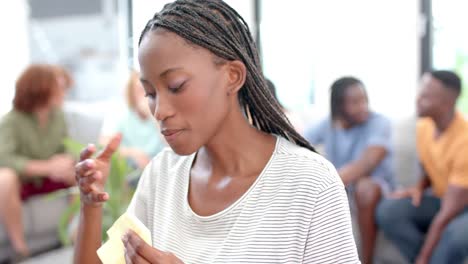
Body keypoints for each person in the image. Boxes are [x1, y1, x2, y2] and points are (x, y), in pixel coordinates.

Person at [73, 1, 360, 263]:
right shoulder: (162, 174)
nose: (159, 111)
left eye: (175, 86)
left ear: (232, 76)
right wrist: (90, 207)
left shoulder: (310, 183)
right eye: (150, 93)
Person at [376, 70, 468, 264]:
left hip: (462, 205)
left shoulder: (464, 140)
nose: (418, 99)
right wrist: (417, 188)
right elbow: (431, 166)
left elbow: (447, 215)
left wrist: (424, 257)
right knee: (388, 210)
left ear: (447, 102)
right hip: (443, 198)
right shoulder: (424, 126)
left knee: (454, 235)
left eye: (426, 96)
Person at [304, 77, 394, 264]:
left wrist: (326, 184)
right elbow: (297, 143)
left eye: (364, 100)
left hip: (377, 191)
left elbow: (368, 162)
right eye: (355, 102)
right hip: (342, 189)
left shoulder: (379, 122)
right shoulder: (328, 124)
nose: (363, 107)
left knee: (365, 188)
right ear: (339, 106)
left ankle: (366, 261)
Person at [0, 64, 75, 258]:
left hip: (52, 178)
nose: (62, 91)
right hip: (24, 182)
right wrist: (47, 167)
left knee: (80, 171)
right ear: (41, 89)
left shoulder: (58, 117)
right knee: (5, 177)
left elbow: (65, 147)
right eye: (57, 86)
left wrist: (65, 160)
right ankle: (20, 249)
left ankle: (74, 235)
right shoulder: (11, 121)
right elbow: (6, 158)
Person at [100, 70, 165, 169]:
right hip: (129, 172)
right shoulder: (118, 113)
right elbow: (103, 144)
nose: (145, 95)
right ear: (131, 93)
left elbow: (171, 146)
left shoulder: (163, 113)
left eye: (149, 89)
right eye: (140, 90)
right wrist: (133, 153)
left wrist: (155, 117)